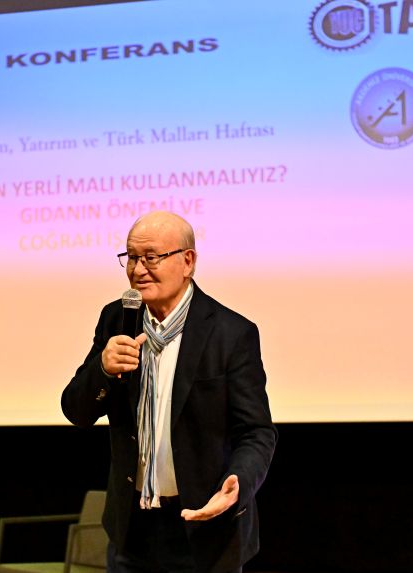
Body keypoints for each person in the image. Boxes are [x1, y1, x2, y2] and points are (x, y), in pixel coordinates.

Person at [61, 211, 277, 573]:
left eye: (152, 257)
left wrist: (239, 482)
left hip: (204, 527)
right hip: (132, 531)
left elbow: (257, 432)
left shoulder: (230, 333)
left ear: (187, 261)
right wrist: (102, 369)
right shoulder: (117, 320)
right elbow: (76, 412)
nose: (138, 270)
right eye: (131, 258)